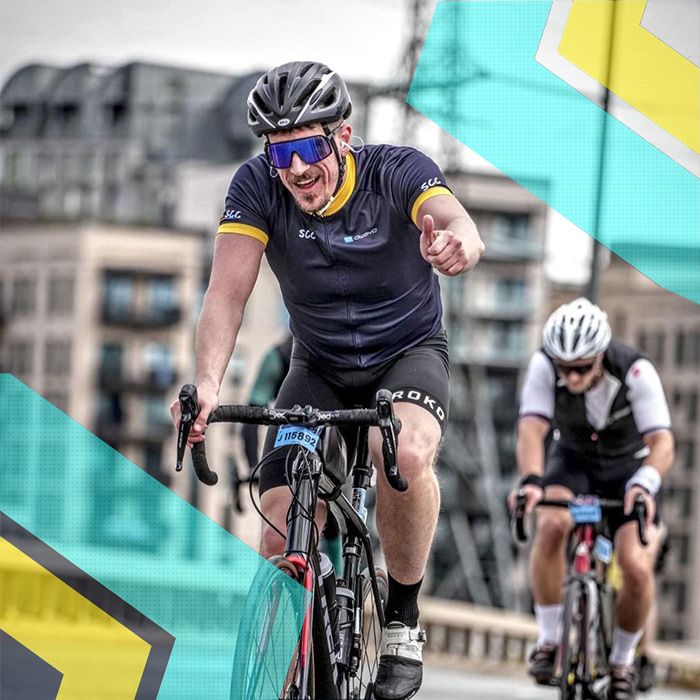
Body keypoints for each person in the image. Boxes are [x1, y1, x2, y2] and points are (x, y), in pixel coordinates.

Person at [170, 61, 484, 700]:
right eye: (278, 151)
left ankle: (400, 619)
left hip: (407, 353)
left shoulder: (396, 171)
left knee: (402, 450)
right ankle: (288, 674)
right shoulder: (257, 186)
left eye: (308, 147)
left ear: (343, 136)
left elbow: (458, 222)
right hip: (318, 368)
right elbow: (226, 294)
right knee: (280, 512)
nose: (294, 168)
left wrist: (459, 245)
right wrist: (206, 383)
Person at [508, 298, 674, 700]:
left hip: (628, 469)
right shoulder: (544, 365)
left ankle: (621, 661)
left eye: (582, 367)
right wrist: (531, 482)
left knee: (634, 564)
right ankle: (549, 641)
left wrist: (645, 483)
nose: (573, 375)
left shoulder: (635, 370)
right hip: (574, 460)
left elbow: (662, 442)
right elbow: (532, 429)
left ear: (600, 355)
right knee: (551, 524)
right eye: (565, 368)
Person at [241, 332, 343, 572]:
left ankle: (338, 585)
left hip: (340, 429)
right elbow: (252, 416)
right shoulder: (280, 357)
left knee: (333, 511)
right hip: (295, 431)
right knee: (275, 532)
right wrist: (254, 465)